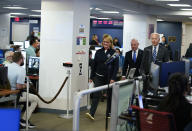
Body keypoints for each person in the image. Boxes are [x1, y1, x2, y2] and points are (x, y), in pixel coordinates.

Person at [86, 34, 119, 120]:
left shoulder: (114, 53)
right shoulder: (98, 52)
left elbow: (116, 67)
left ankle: (109, 113)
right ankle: (92, 113)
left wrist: (113, 78)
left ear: (110, 43)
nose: (105, 43)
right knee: (96, 95)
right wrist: (91, 77)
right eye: (104, 42)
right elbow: (94, 65)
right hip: (98, 77)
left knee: (109, 96)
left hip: (109, 78)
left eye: (107, 42)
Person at [7, 52, 38, 128]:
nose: (24, 59)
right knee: (36, 99)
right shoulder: (21, 70)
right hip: (15, 94)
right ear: (20, 60)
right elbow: (18, 86)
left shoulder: (6, 66)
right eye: (23, 58)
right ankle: (24, 120)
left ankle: (20, 120)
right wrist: (25, 85)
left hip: (6, 93)